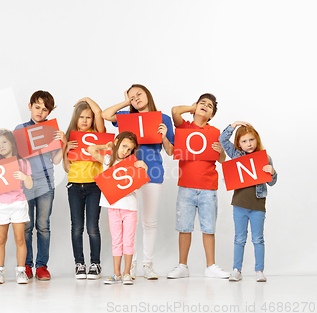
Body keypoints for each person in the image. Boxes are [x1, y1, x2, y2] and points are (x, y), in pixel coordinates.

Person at [102, 84, 174, 279]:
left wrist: (165, 136)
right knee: (128, 223)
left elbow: (170, 151)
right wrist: (126, 102)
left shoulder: (164, 118)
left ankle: (147, 265)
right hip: (127, 173)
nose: (136, 99)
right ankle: (130, 265)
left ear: (148, 94)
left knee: (149, 221)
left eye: (139, 94)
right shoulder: (127, 117)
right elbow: (106, 115)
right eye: (132, 97)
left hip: (153, 171)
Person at [167, 93, 229, 279]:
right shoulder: (185, 127)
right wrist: (192, 107)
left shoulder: (215, 132)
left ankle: (211, 266)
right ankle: (182, 266)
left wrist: (220, 152)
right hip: (186, 186)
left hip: (208, 187)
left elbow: (222, 159)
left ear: (211, 115)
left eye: (209, 106)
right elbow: (175, 111)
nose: (205, 106)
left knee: (208, 228)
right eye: (203, 103)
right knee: (184, 227)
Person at [14, 90, 65, 280]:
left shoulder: (51, 131)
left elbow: (57, 160)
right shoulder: (20, 128)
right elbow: (13, 155)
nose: (40, 112)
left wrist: (63, 142)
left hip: (45, 184)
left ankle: (42, 266)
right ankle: (26, 265)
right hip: (25, 184)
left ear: (49, 113)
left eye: (45, 110)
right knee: (26, 226)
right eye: (37, 107)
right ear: (30, 106)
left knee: (43, 226)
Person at [219, 122, 277, 282]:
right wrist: (234, 125)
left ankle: (259, 271)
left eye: (251, 140)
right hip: (239, 204)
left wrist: (272, 172)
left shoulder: (265, 158)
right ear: (238, 143)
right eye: (244, 141)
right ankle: (236, 270)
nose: (249, 144)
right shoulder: (237, 155)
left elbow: (271, 182)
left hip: (258, 204)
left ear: (257, 140)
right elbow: (222, 139)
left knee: (258, 239)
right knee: (239, 238)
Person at [88, 131, 148, 285]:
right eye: (124, 146)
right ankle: (116, 274)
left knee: (128, 241)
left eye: (129, 149)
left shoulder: (133, 163)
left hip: (129, 208)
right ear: (116, 142)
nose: (125, 151)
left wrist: (144, 167)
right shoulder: (108, 160)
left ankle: (127, 273)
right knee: (117, 241)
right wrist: (106, 146)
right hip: (113, 207)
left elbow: (140, 183)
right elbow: (91, 149)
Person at [0, 129, 33, 284]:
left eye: (4, 142)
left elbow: (29, 185)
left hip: (18, 203)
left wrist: (24, 177)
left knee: (19, 238)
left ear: (12, 142)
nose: (1, 146)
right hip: (1, 205)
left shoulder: (23, 162)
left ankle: (21, 271)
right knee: (1, 238)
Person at [62, 98, 106, 279]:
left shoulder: (97, 135)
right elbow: (66, 168)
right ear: (76, 118)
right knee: (77, 227)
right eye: (81, 117)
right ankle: (79, 263)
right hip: (74, 186)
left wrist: (88, 99)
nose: (85, 120)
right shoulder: (71, 137)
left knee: (92, 227)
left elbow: (100, 114)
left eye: (88, 117)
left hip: (94, 186)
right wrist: (65, 149)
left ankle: (95, 263)